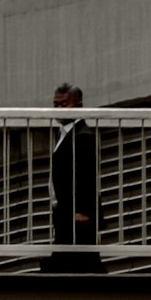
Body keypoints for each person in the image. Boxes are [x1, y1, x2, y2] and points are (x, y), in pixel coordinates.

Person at [50, 83, 101, 271]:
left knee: (76, 261)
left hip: (77, 214)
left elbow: (87, 173)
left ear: (78, 106)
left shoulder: (83, 135)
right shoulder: (65, 133)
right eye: (56, 104)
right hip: (66, 211)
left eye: (64, 104)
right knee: (79, 261)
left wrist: (84, 210)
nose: (58, 109)